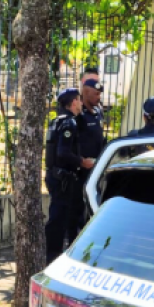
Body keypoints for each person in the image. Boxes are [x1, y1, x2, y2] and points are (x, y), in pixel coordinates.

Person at [45, 88, 95, 264]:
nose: (81, 103)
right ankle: (53, 256)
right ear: (74, 102)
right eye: (79, 100)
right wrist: (82, 162)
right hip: (63, 178)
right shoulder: (69, 124)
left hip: (54, 175)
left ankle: (52, 253)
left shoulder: (56, 121)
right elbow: (63, 152)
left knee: (58, 216)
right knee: (59, 218)